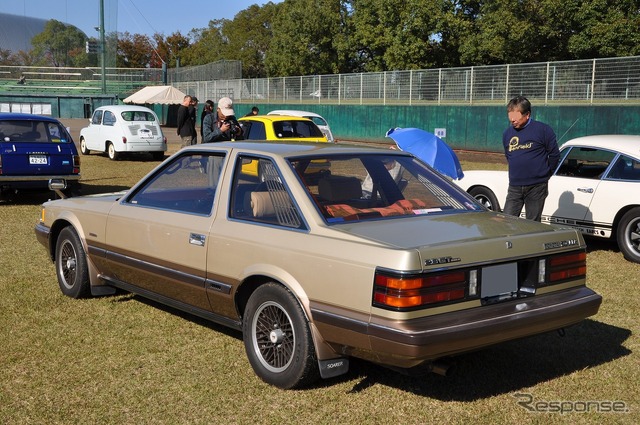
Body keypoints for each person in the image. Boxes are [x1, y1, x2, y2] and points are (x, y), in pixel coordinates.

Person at [502, 96, 560, 222]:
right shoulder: (507, 134)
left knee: (532, 223)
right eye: (510, 116)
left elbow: (554, 155)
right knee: (507, 221)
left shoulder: (543, 130)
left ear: (527, 114)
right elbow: (509, 155)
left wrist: (545, 174)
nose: (512, 120)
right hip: (515, 187)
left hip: (537, 187)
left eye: (516, 117)